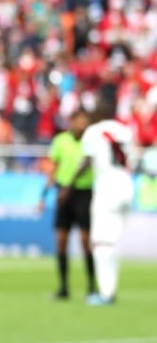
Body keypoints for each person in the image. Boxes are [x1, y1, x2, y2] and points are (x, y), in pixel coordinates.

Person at [61, 97, 137, 306]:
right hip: (126, 186)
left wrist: (69, 185)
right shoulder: (126, 130)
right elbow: (132, 159)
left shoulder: (93, 132)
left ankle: (106, 292)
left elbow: (85, 162)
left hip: (107, 187)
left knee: (102, 242)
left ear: (98, 115)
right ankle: (110, 288)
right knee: (112, 241)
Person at [39, 109, 95, 301]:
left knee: (85, 240)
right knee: (61, 240)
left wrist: (67, 188)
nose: (82, 125)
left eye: (84, 121)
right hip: (63, 194)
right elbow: (53, 168)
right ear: (71, 122)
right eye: (79, 121)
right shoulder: (60, 141)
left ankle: (91, 287)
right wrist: (43, 195)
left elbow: (87, 164)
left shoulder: (91, 141)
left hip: (83, 192)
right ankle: (63, 287)